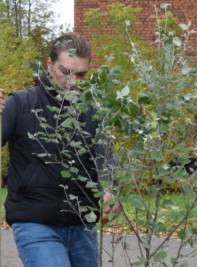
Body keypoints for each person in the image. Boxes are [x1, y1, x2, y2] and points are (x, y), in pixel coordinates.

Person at [0, 32, 121, 267]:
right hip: (34, 222)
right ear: (49, 64)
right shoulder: (21, 104)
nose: (73, 82)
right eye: (65, 72)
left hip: (82, 225)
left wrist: (110, 191)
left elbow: (106, 160)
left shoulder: (92, 113)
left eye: (81, 74)